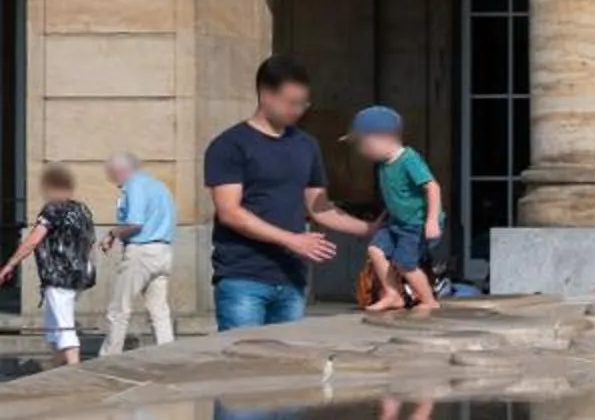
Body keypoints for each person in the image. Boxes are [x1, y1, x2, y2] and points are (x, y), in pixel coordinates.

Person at [205, 56, 369, 329]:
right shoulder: (230, 145)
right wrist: (292, 240)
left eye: (303, 103)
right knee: (243, 354)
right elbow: (230, 212)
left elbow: (319, 208)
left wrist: (369, 228)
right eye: (292, 102)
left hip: (292, 279)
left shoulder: (306, 145)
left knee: (289, 356)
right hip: (243, 278)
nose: (299, 110)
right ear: (266, 95)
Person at [0, 167, 99, 365]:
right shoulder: (82, 210)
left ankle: (75, 372)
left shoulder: (52, 210)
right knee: (54, 328)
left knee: (64, 329)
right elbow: (90, 241)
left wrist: (10, 264)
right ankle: (58, 368)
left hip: (59, 277)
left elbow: (33, 241)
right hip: (78, 276)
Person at [345, 107, 441, 313]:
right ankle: (393, 294)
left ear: (384, 137)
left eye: (363, 143)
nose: (361, 150)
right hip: (396, 222)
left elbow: (432, 187)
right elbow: (394, 199)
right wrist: (380, 221)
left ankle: (428, 300)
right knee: (375, 250)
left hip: (416, 224)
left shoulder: (408, 159)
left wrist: (432, 220)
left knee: (405, 263)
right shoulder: (383, 166)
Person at [100, 153, 175, 352]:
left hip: (141, 251)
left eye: (112, 174)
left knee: (119, 308)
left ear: (121, 170)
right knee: (158, 311)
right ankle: (169, 355)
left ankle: (109, 357)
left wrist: (113, 233)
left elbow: (135, 223)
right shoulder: (158, 186)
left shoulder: (134, 185)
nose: (112, 179)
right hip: (163, 250)